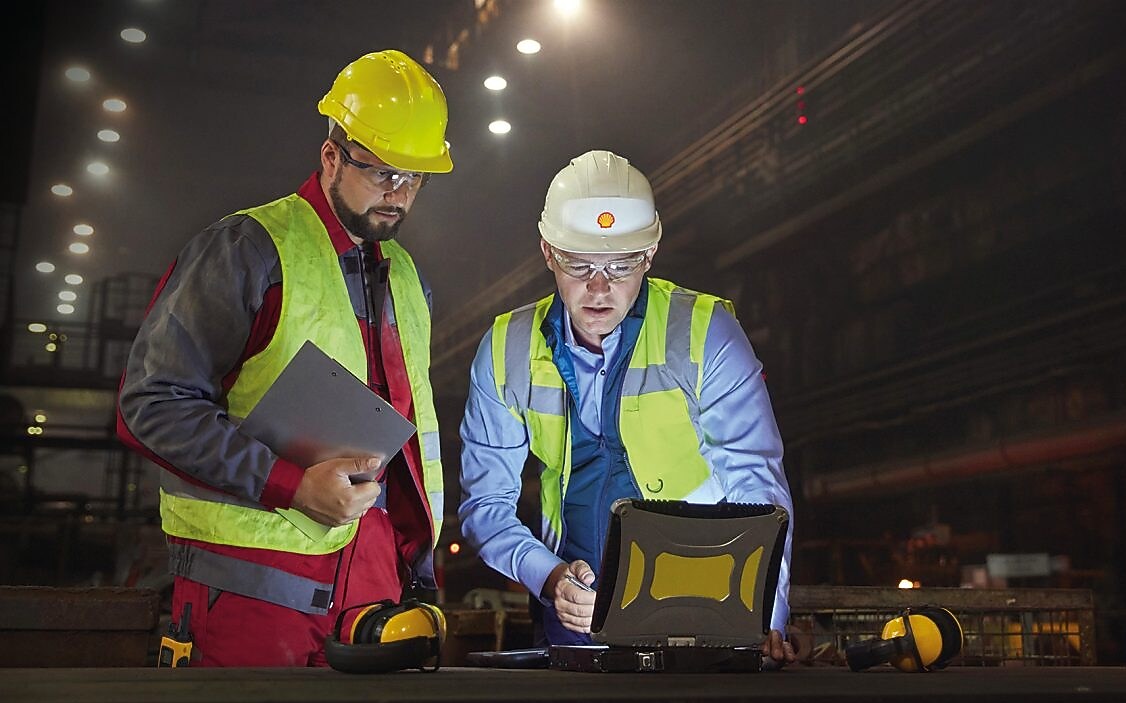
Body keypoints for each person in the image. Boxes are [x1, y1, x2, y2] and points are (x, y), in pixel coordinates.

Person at [116, 49, 451, 667]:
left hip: (374, 582)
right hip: (250, 587)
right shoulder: (246, 251)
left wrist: (416, 567)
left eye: (414, 179)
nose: (398, 195)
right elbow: (151, 404)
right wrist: (290, 486)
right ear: (331, 156)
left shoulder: (407, 277)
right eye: (382, 173)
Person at [458, 150, 796, 662]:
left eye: (621, 265)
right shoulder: (506, 350)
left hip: (704, 614)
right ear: (547, 251)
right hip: (573, 617)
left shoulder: (705, 334)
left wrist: (763, 620)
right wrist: (549, 578)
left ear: (651, 253)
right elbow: (486, 505)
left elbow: (759, 489)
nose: (600, 287)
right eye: (578, 263)